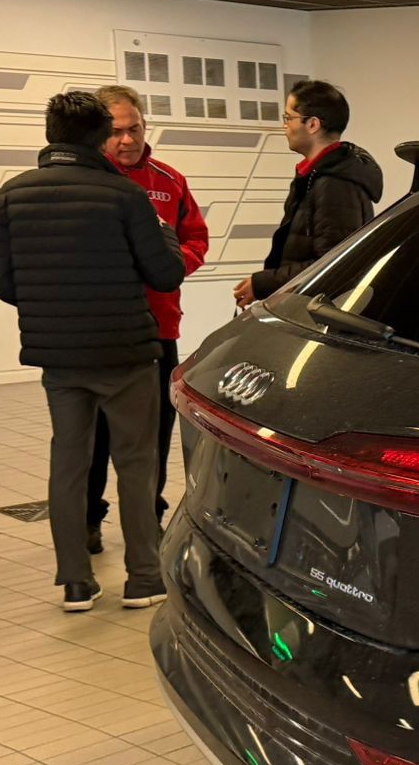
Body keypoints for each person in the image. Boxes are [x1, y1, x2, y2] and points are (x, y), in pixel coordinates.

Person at [0, 90, 183, 612]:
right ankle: (143, 577)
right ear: (100, 136)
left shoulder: (12, 196)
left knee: (68, 464)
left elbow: (4, 284)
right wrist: (165, 236)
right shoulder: (125, 196)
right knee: (137, 464)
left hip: (60, 358)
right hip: (127, 353)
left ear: (51, 134)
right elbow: (165, 273)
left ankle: (76, 581)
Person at [85, 84, 208, 554]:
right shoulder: (91, 182)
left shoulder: (169, 180)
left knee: (154, 434)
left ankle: (148, 518)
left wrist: (175, 268)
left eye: (134, 128)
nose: (126, 140)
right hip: (101, 331)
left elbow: (195, 236)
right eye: (116, 131)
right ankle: (89, 520)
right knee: (94, 435)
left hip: (158, 328)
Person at [235, 78, 382, 310]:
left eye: (288, 118)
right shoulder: (319, 176)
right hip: (303, 308)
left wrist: (263, 283)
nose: (285, 126)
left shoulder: (336, 184)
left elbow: (333, 265)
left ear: (312, 124)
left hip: (317, 315)